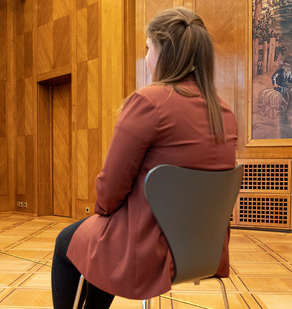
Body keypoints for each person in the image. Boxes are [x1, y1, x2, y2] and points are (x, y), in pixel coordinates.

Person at [51, 7, 238, 308]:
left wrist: (103, 211)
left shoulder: (149, 102)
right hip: (205, 251)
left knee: (68, 243)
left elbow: (110, 190)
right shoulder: (224, 112)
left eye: (148, 48)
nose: (147, 58)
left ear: (164, 52)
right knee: (99, 241)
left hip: (149, 251)